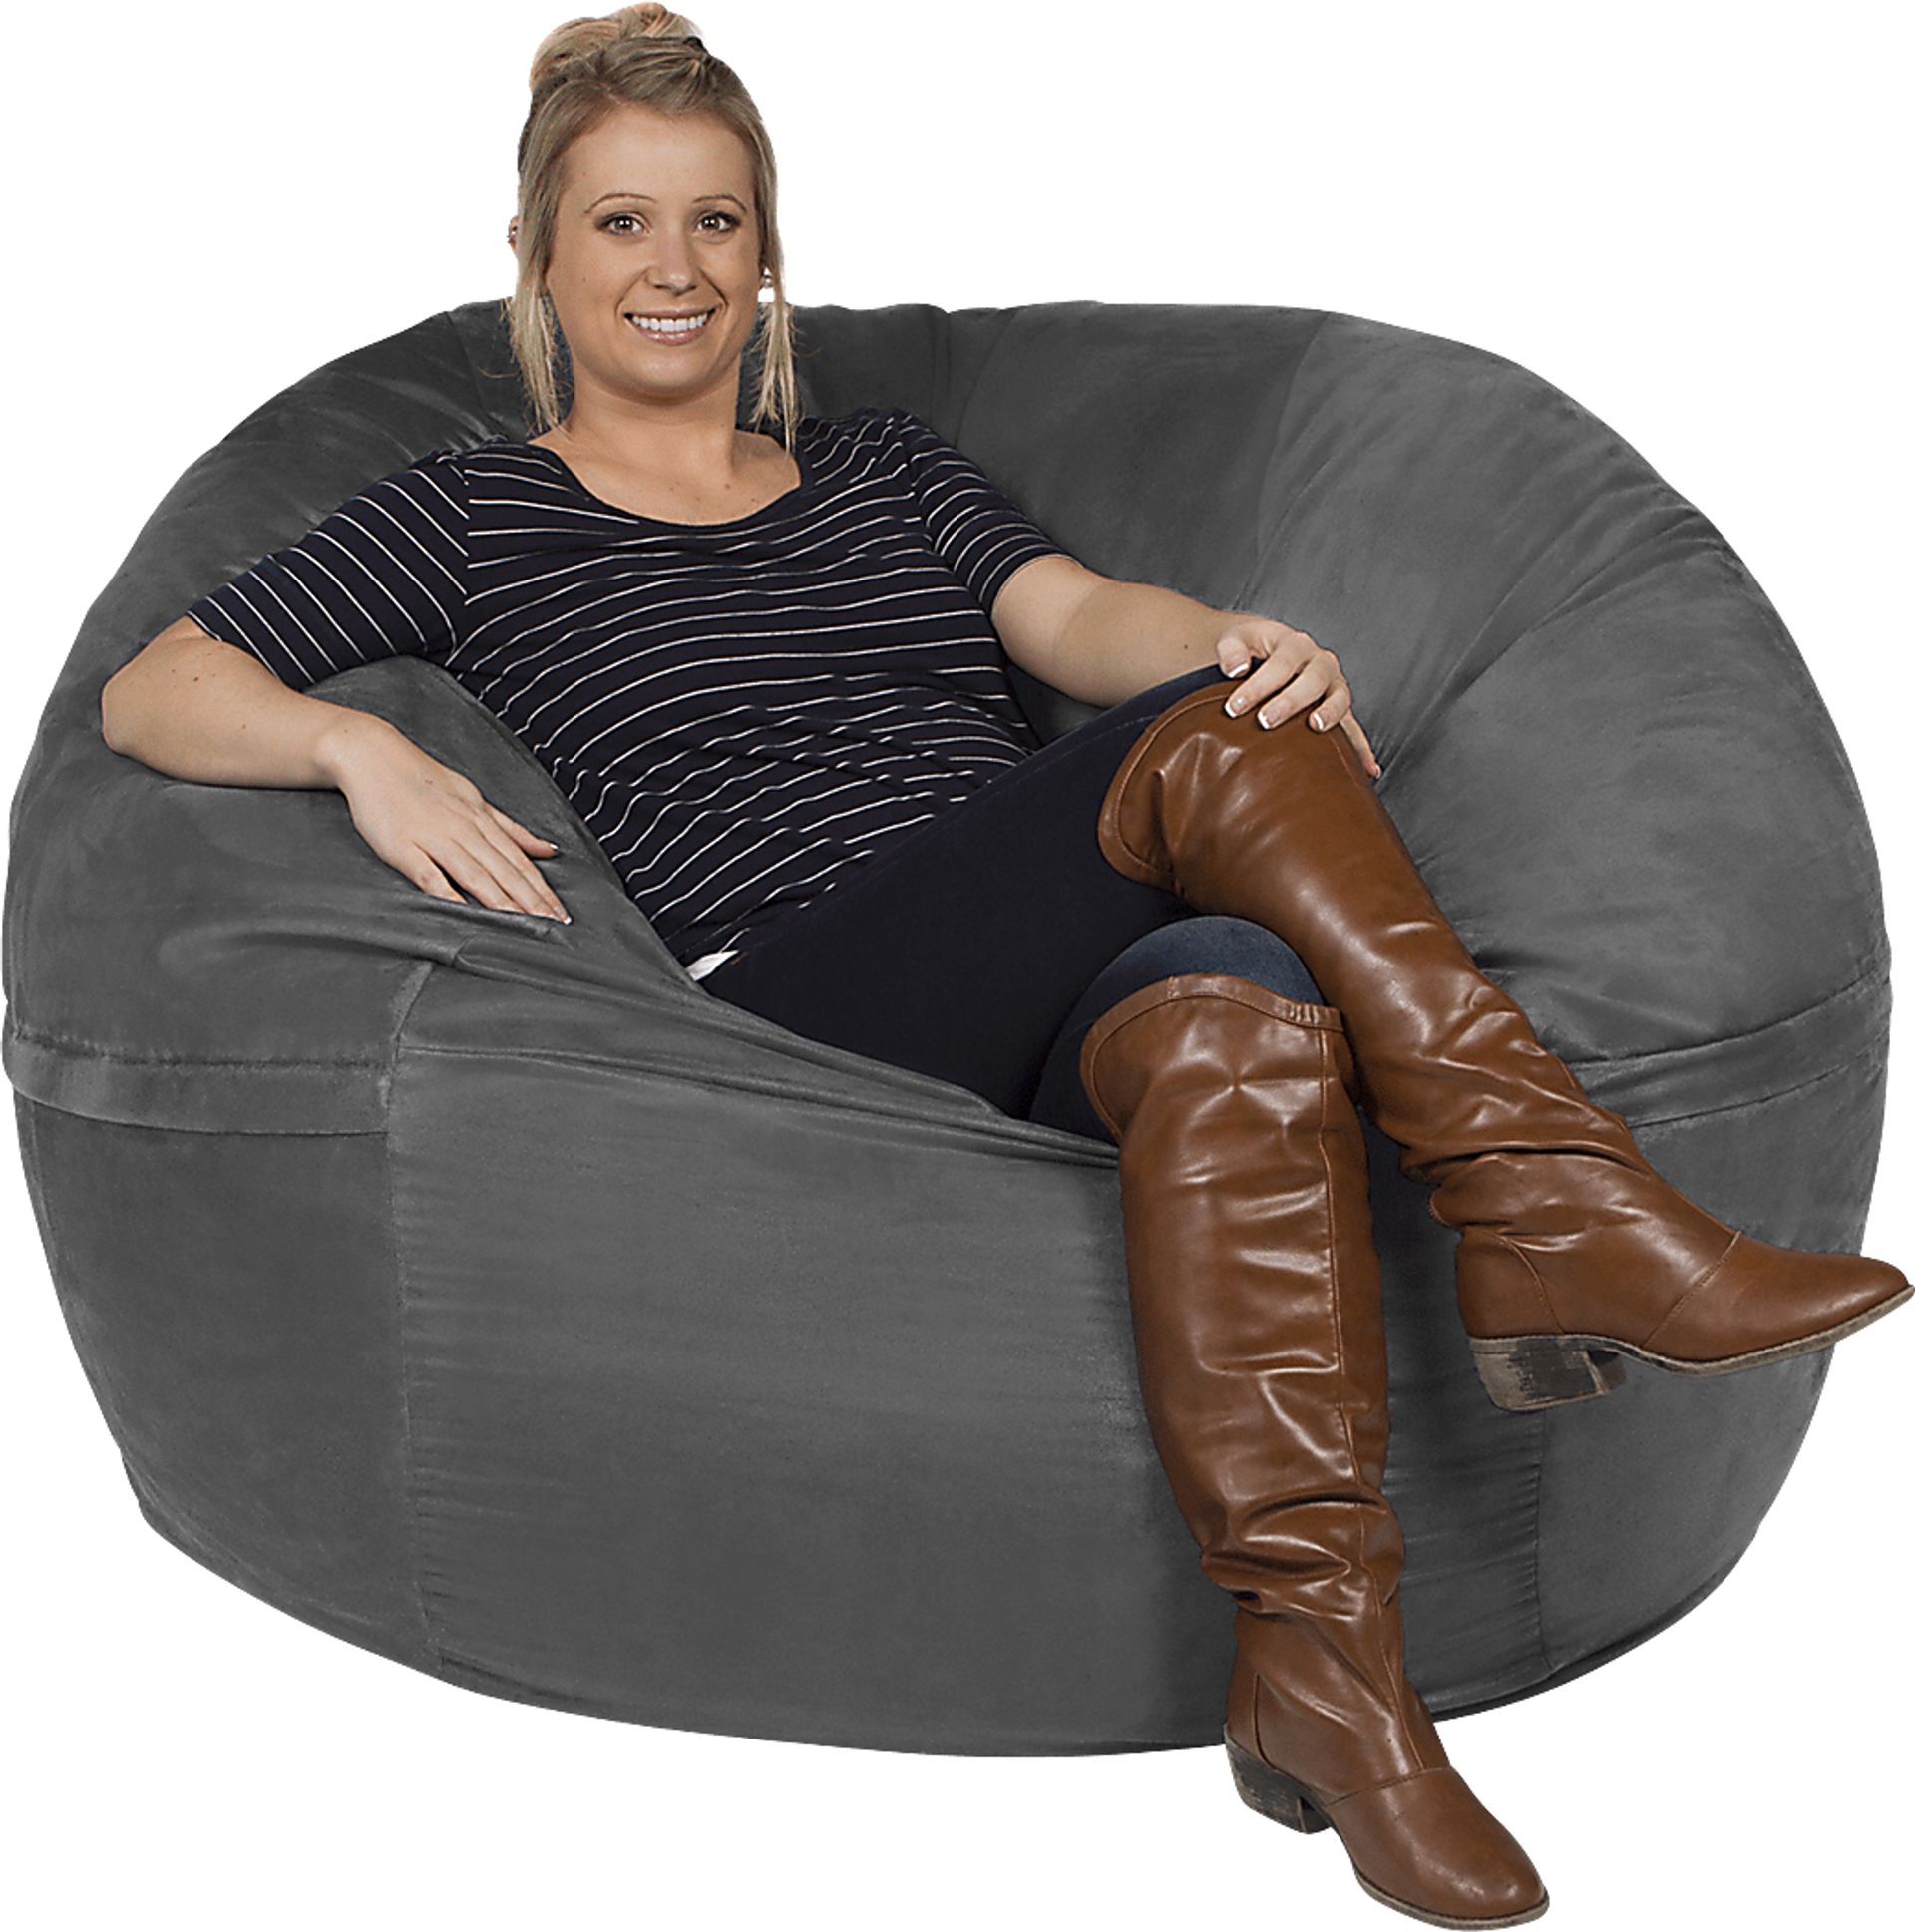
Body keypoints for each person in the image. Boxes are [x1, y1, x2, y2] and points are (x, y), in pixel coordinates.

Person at [95, 8, 1910, 1927]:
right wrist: (355, 749)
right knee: (1211, 755)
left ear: (766, 252)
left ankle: (1330, 1682)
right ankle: (1545, 1194)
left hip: (1036, 968)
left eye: (716, 221)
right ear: (539, 257)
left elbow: (1076, 616)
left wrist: (1229, 643)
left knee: (1233, 1001)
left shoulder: (882, 464)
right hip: (800, 1006)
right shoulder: (471, 511)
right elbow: (158, 683)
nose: (673, 266)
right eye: (622, 223)